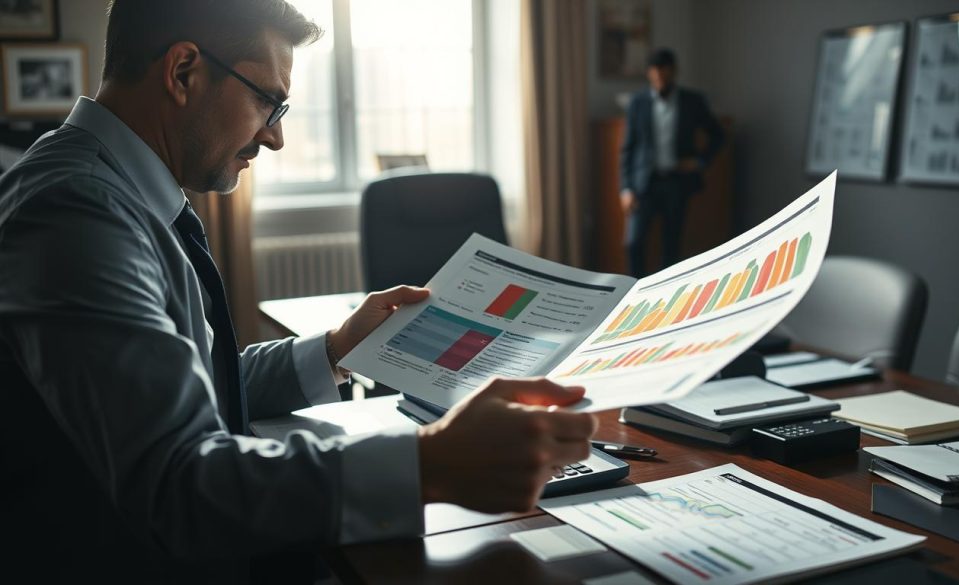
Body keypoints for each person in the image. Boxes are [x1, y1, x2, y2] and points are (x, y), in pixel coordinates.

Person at [0, 1, 596, 582]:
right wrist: (431, 463)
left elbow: (191, 385)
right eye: (267, 100)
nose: (275, 136)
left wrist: (336, 348)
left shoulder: (111, 191)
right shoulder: (76, 213)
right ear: (182, 72)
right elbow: (177, 483)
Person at [620, 48, 724, 278]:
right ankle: (633, 290)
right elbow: (628, 148)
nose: (659, 77)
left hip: (677, 182)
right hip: (644, 183)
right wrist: (626, 188)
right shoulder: (638, 103)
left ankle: (667, 295)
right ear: (649, 73)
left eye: (664, 72)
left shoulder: (692, 101)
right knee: (633, 242)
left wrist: (699, 161)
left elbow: (718, 135)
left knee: (672, 245)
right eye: (655, 72)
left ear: (674, 71)